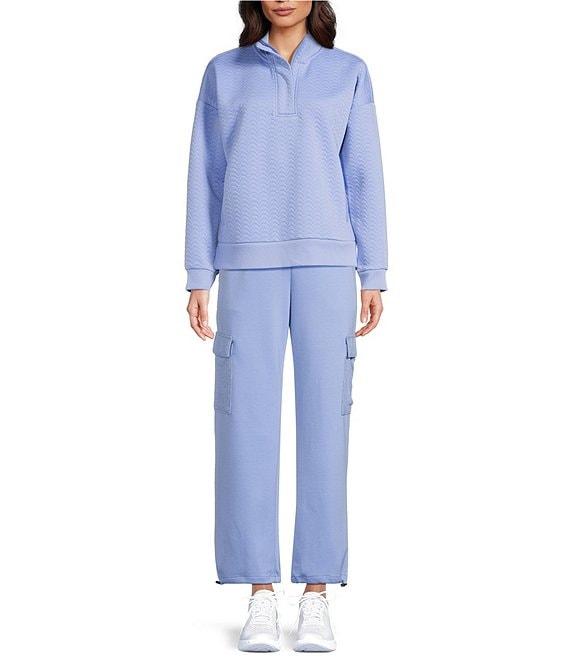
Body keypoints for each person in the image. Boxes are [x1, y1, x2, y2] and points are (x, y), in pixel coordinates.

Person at [185, 0, 388, 652]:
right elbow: (206, 176)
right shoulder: (224, 73)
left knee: (326, 424)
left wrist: (374, 270)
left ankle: (318, 594)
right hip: (247, 265)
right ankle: (261, 595)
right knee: (244, 426)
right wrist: (199, 272)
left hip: (329, 265)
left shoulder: (348, 72)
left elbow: (364, 174)